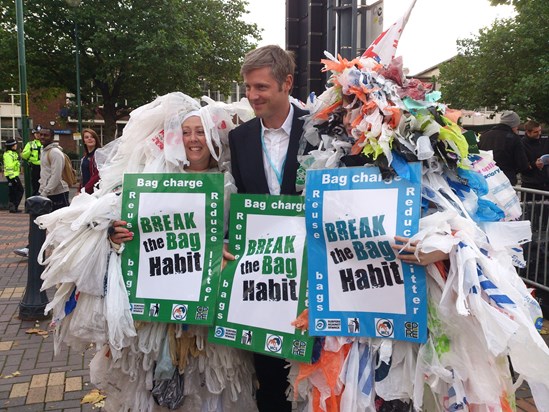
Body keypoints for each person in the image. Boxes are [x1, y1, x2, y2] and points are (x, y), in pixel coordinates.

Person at [228, 44, 314, 412]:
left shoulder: (319, 128)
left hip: (311, 273)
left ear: (287, 83)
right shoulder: (240, 137)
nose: (252, 96)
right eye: (248, 87)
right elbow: (242, 202)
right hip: (264, 277)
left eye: (261, 87)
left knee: (312, 375)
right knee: (267, 374)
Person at [478, 110, 529, 185]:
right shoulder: (514, 139)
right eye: (516, 126)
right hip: (506, 180)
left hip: (487, 178)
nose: (517, 128)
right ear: (513, 125)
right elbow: (522, 164)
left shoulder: (484, 135)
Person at [38, 128, 70, 210]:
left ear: (52, 137)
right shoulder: (44, 151)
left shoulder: (55, 152)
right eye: (40, 134)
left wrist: (45, 192)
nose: (42, 137)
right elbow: (45, 172)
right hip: (47, 192)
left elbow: (56, 175)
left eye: (46, 135)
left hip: (58, 194)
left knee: (60, 221)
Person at [520, 120, 548, 191]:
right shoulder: (521, 144)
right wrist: (534, 164)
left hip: (545, 181)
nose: (539, 134)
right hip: (530, 183)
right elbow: (521, 165)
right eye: (535, 132)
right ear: (527, 132)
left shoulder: (545, 139)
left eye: (540, 131)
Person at [3, 138, 24, 213]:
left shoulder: (13, 153)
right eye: (15, 145)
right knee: (17, 191)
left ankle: (14, 207)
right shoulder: (8, 155)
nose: (16, 146)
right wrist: (12, 177)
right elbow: (9, 167)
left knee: (16, 191)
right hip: (11, 176)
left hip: (14, 175)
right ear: (11, 146)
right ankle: (13, 207)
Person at [21, 125, 43, 195]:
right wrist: (30, 150)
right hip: (34, 167)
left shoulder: (45, 143)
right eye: (36, 133)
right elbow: (24, 155)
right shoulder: (30, 144)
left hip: (44, 166)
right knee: (35, 185)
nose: (38, 135)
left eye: (39, 133)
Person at [79, 128, 102, 194]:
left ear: (96, 140)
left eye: (92, 137)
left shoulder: (99, 155)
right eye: (86, 137)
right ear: (84, 141)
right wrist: (79, 190)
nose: (89, 138)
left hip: (96, 192)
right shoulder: (84, 158)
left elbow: (97, 175)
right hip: (85, 192)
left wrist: (85, 189)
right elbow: (82, 177)